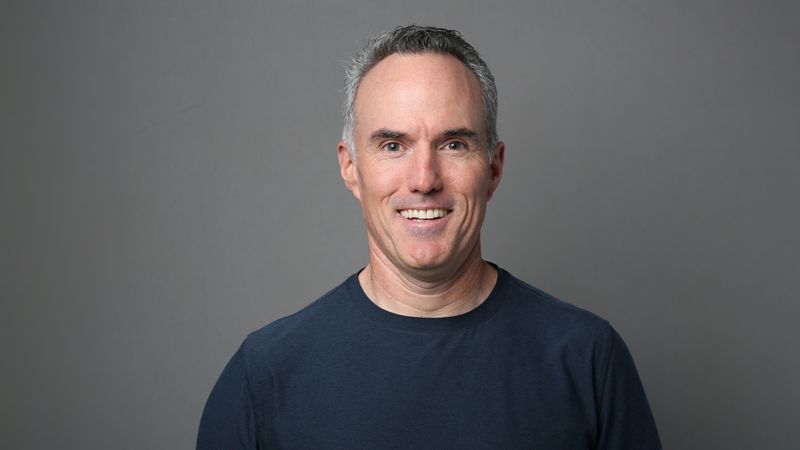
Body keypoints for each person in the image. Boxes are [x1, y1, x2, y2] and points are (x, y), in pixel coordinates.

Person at [197, 25, 661, 449]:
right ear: (350, 167)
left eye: (453, 144)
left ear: (494, 168)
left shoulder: (587, 358)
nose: (424, 178)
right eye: (393, 145)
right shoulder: (265, 373)